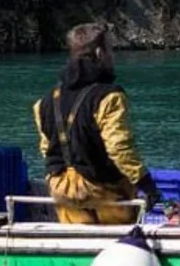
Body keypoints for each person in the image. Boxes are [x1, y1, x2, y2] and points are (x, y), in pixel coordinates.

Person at [33, 22, 158, 225]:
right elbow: (119, 148)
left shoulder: (45, 102)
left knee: (78, 244)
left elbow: (46, 148)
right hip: (102, 189)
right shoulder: (109, 97)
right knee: (117, 244)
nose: (112, 56)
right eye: (110, 50)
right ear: (99, 53)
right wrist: (146, 184)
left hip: (62, 188)